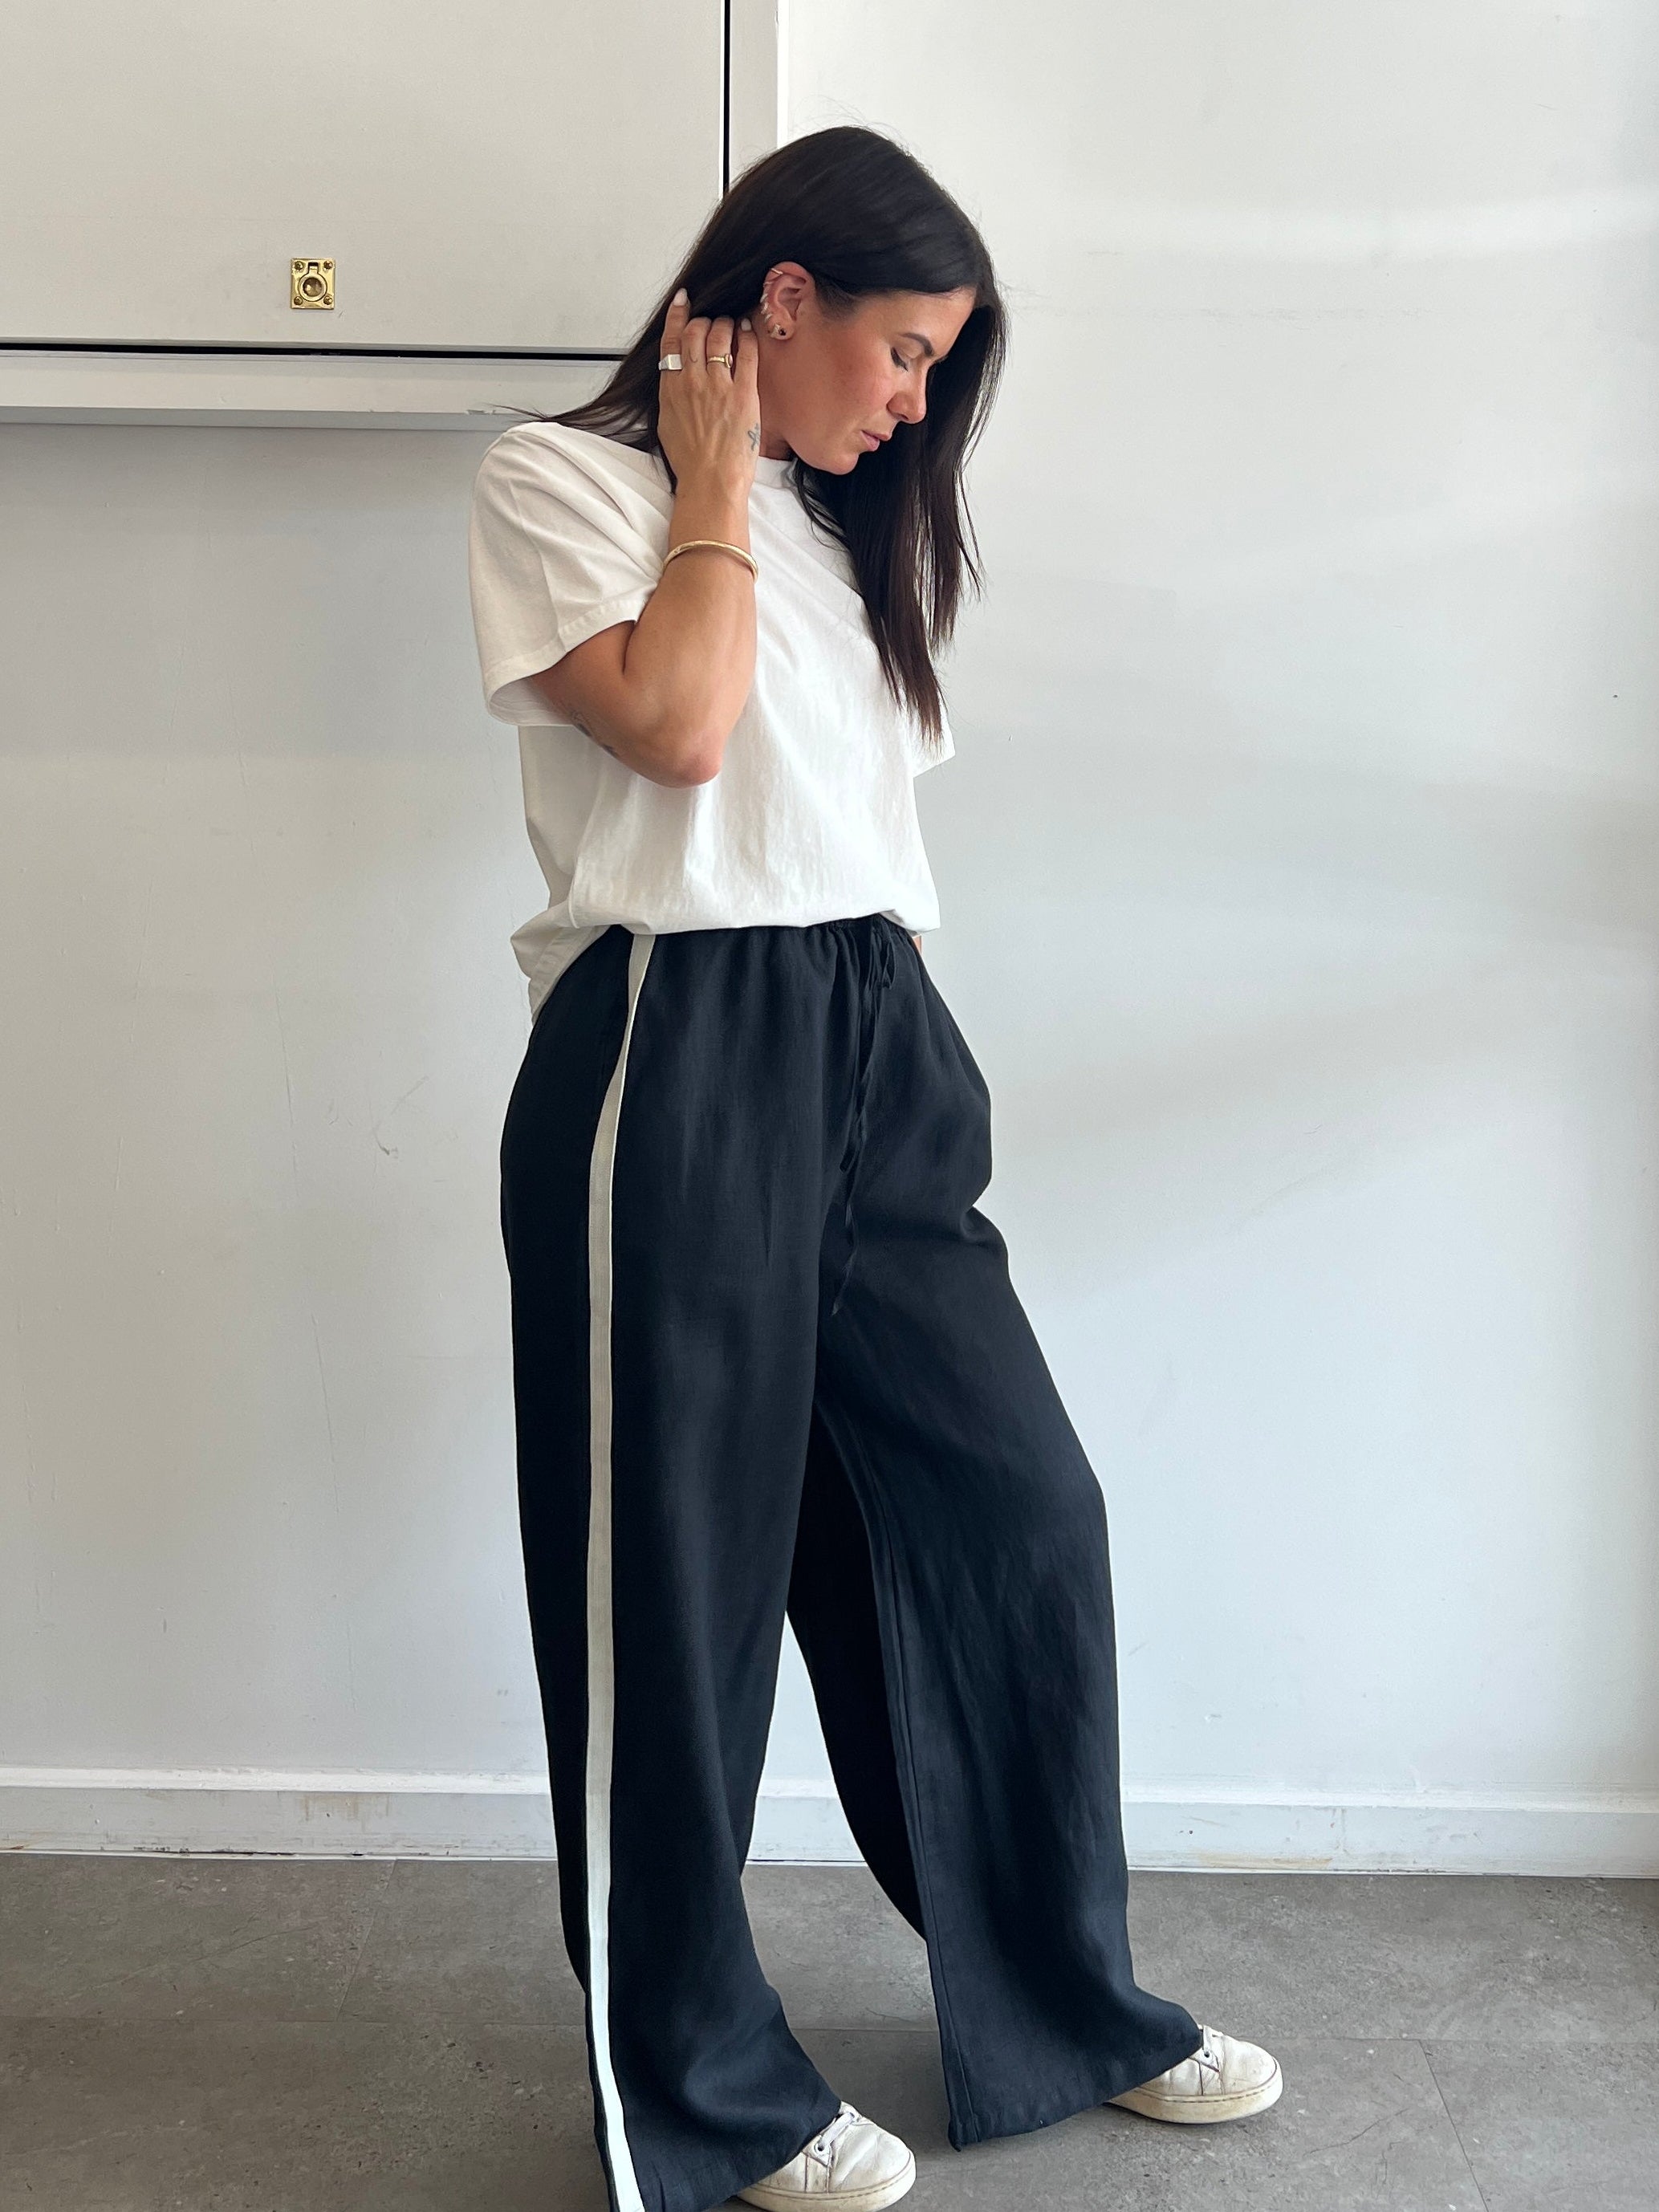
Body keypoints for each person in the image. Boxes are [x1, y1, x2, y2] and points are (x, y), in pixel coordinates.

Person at [467, 124, 1282, 2212]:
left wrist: (779, 495)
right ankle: (703, 2085)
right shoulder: (567, 486)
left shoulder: (840, 533)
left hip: (877, 1042)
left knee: (1011, 1508)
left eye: (941, 370)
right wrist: (713, 480)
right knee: (678, 1590)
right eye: (902, 353)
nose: (916, 404)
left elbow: (846, 815)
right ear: (781, 303)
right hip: (675, 1045)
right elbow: (674, 734)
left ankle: (1064, 1993)